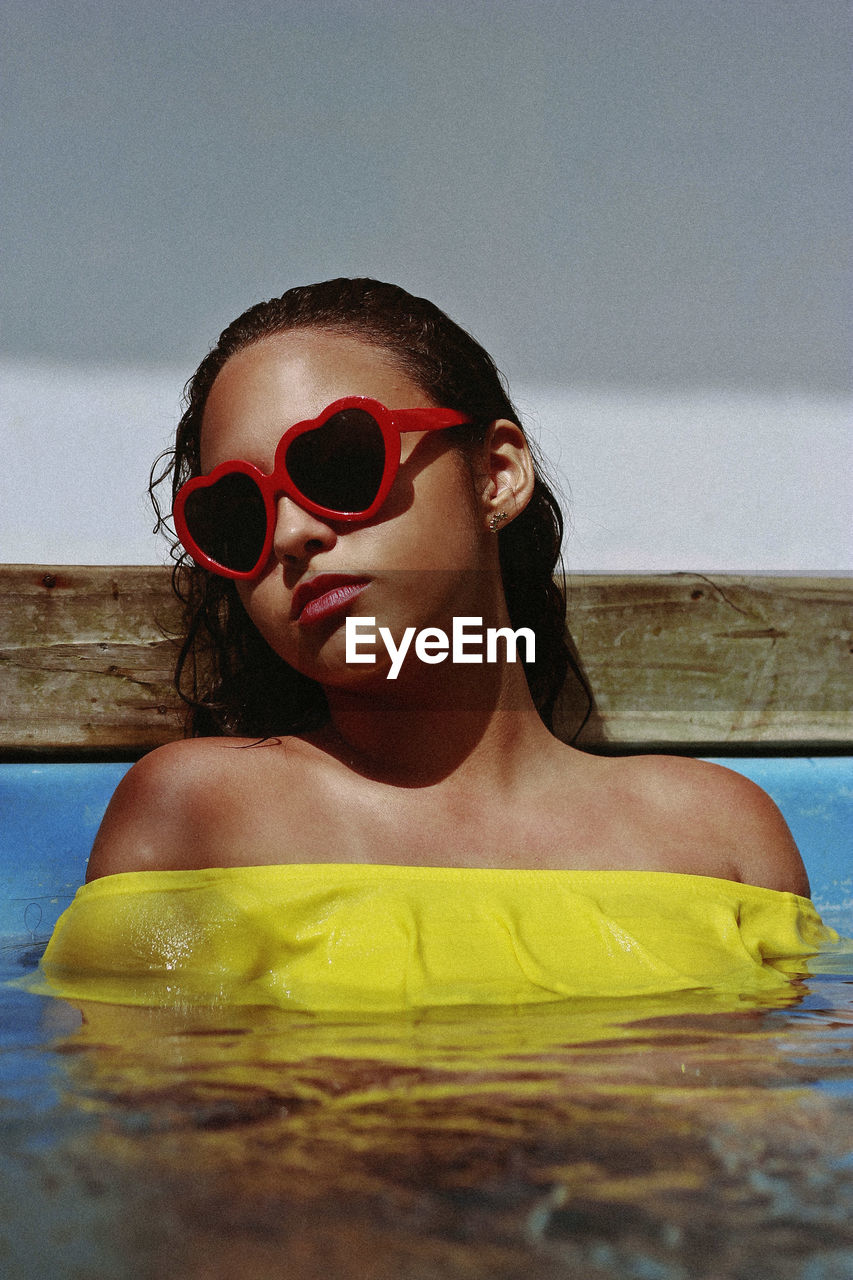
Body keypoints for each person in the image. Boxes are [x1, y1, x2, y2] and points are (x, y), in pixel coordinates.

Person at [86, 277, 808, 896]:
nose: (289, 536)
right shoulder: (194, 817)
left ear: (497, 474)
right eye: (236, 516)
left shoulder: (720, 838)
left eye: (337, 463)